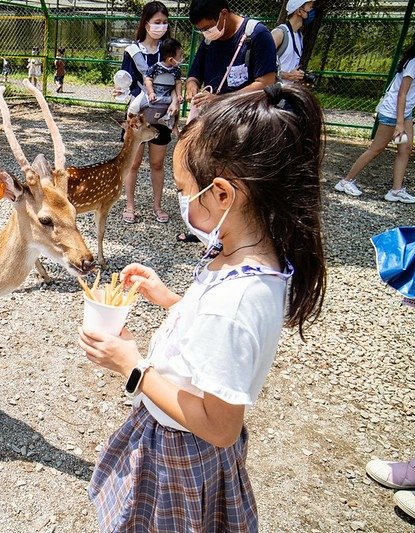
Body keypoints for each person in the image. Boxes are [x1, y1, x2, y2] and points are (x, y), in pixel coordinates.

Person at [78, 83, 327, 531]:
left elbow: (219, 425)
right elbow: (207, 330)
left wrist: (132, 367)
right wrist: (170, 299)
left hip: (182, 449)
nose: (181, 203)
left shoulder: (233, 306)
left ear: (223, 195)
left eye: (182, 191)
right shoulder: (245, 253)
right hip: (178, 432)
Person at [178, 0, 277, 242]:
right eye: (201, 30)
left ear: (224, 14)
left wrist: (221, 99)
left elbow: (266, 82)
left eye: (209, 26)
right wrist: (192, 87)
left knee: (238, 179)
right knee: (208, 174)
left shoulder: (257, 35)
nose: (206, 33)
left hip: (245, 123)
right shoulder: (209, 41)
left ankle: (240, 234)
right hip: (214, 122)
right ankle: (207, 228)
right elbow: (194, 74)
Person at [335, 35, 415, 203]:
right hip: (393, 113)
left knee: (405, 149)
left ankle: (396, 190)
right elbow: (402, 94)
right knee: (377, 148)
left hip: (404, 113)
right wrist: (399, 124)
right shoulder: (414, 62)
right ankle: (345, 181)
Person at [114, 1, 173, 225]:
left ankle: (157, 206)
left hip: (161, 114)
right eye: (157, 22)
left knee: (157, 163)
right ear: (146, 24)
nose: (161, 26)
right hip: (137, 116)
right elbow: (126, 81)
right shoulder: (133, 52)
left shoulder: (169, 51)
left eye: (165, 22)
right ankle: (130, 205)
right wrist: (120, 91)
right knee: (133, 162)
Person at [142, 37, 184, 132]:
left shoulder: (176, 70)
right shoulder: (156, 67)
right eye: (180, 56)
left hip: (168, 94)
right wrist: (151, 92)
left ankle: (168, 120)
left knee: (174, 106)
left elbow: (178, 83)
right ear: (170, 59)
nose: (181, 59)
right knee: (137, 103)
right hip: (155, 92)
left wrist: (179, 95)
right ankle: (131, 115)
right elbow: (148, 80)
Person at [272, 0, 316, 85]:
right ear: (299, 11)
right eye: (310, 7)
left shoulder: (299, 36)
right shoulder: (279, 33)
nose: (312, 11)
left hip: (288, 91)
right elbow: (260, 64)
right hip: (273, 92)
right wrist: (285, 75)